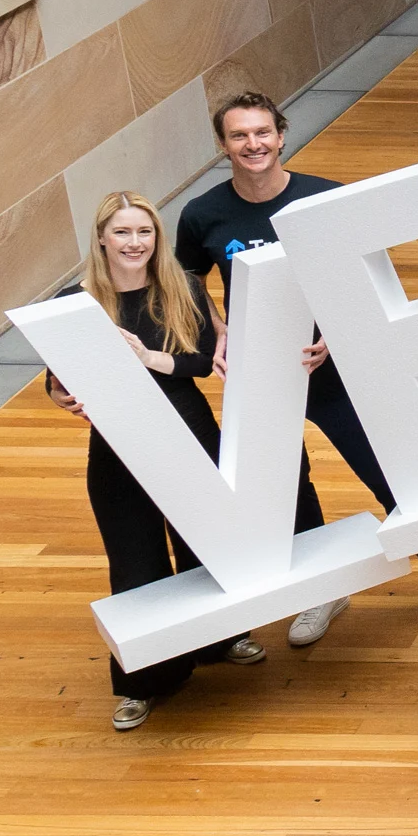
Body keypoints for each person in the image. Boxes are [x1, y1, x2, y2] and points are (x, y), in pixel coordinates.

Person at [177, 93, 418, 646]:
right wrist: (220, 331)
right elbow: (187, 276)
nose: (252, 145)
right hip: (262, 376)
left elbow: (369, 274)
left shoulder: (323, 198)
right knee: (287, 488)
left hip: (334, 370)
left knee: (386, 469)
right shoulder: (202, 213)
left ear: (281, 136)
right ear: (222, 145)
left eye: (262, 133)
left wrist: (337, 333)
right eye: (239, 136)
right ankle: (323, 590)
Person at [45, 191, 292, 731]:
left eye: (145, 233)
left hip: (187, 425)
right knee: (135, 559)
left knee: (204, 543)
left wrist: (146, 357)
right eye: (124, 233)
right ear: (103, 239)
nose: (135, 243)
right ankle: (143, 682)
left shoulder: (182, 286)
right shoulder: (75, 300)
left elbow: (203, 361)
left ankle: (221, 639)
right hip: (116, 441)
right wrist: (59, 394)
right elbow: (56, 376)